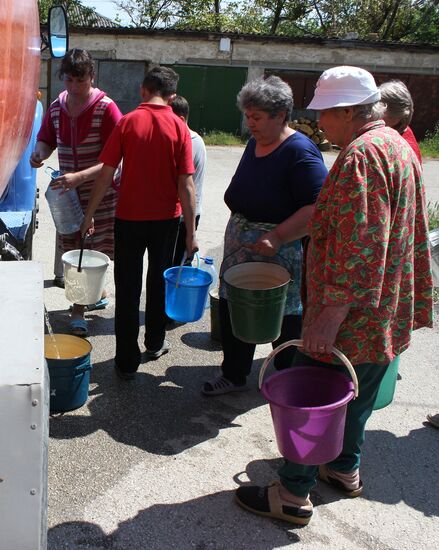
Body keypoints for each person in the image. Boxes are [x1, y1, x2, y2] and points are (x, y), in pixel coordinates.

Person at [234, 66, 433, 525]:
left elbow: (361, 241)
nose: (319, 122)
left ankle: (292, 493)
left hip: (350, 312)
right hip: (382, 306)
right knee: (356, 395)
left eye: (325, 113)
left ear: (348, 111)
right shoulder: (398, 146)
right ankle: (343, 468)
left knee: (314, 398)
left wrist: (329, 316)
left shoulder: (362, 155)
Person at [202, 76, 327, 396]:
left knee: (281, 315)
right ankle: (233, 373)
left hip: (278, 250)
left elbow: (317, 208)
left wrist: (279, 236)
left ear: (281, 115)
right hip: (241, 244)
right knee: (235, 307)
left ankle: (287, 378)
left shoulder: (300, 152)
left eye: (256, 117)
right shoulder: (255, 142)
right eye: (247, 115)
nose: (249, 122)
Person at [80, 65, 198, 380]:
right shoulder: (179, 127)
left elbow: (106, 173)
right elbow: (186, 184)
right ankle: (155, 342)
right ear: (172, 97)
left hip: (128, 218)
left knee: (128, 287)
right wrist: (192, 233)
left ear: (143, 90)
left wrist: (89, 213)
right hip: (166, 222)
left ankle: (126, 360)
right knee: (158, 283)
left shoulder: (128, 122)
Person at [30, 48, 122, 336]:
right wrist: (39, 153)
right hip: (68, 196)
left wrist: (80, 176)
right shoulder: (57, 107)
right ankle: (86, 302)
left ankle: (80, 308)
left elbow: (115, 160)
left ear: (92, 77)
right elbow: (46, 139)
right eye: (68, 80)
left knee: (93, 252)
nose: (73, 87)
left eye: (79, 81)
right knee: (74, 253)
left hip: (101, 194)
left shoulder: (107, 108)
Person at [170, 95, 206, 267]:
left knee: (176, 265)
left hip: (185, 216)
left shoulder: (191, 142)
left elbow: (181, 183)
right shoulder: (192, 140)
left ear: (181, 119)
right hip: (184, 213)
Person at [378, 79, 422, 162]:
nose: (373, 113)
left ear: (396, 118)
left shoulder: (403, 149)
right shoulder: (403, 132)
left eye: (379, 109)